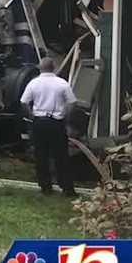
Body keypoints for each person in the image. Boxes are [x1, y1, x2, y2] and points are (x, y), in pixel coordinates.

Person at [20, 56, 78, 197]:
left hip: (39, 122)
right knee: (61, 156)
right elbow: (72, 103)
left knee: (41, 155)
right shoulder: (62, 83)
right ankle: (67, 188)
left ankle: (46, 187)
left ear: (40, 68)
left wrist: (31, 115)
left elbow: (23, 102)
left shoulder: (33, 83)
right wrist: (66, 118)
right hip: (56, 122)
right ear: (54, 68)